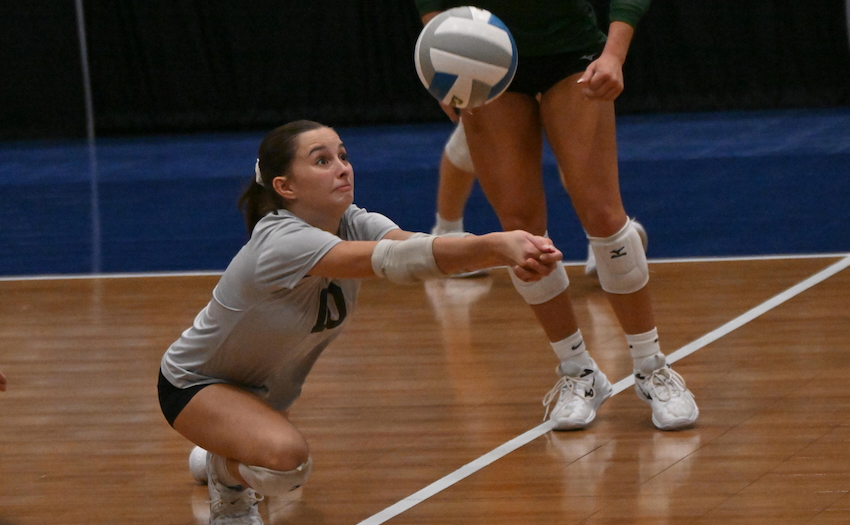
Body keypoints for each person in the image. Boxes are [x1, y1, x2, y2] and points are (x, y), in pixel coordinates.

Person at [157, 120, 562, 525]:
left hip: (260, 395)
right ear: (285, 187)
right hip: (194, 383)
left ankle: (225, 449)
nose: (342, 167)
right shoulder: (281, 241)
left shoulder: (352, 221)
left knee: (276, 456)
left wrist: (509, 252)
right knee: (287, 464)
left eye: (343, 156)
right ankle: (225, 481)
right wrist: (495, 245)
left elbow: (418, 250)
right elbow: (393, 261)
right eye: (322, 160)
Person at [416, 1, 699, 431]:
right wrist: (445, 55)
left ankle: (651, 366)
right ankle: (578, 373)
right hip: (484, 59)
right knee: (520, 228)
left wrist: (614, 54)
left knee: (603, 214)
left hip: (573, 54)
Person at [429, 118, 648, 276]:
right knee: (468, 141)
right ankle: (447, 232)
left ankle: (604, 239)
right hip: (501, 66)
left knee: (576, 148)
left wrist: (612, 57)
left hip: (558, 61)